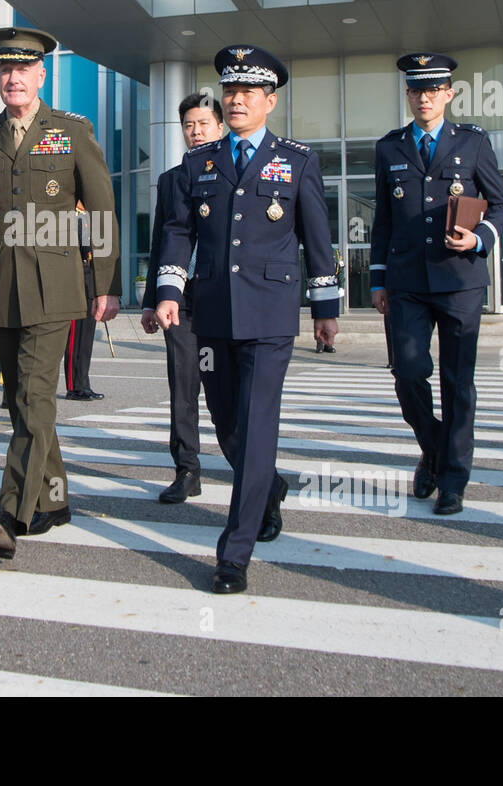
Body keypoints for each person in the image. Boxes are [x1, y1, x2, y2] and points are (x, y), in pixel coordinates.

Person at [155, 45, 340, 595]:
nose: (236, 100)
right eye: (230, 91)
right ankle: (270, 487)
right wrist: (168, 289)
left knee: (257, 425)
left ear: (269, 101)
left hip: (270, 313)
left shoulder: (297, 159)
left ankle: (234, 552)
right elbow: (178, 231)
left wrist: (324, 309)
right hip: (211, 312)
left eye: (248, 92)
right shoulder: (199, 163)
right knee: (227, 421)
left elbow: (317, 238)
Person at [0, 25, 120, 561]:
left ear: (42, 75)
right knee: (20, 401)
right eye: (4, 69)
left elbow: (103, 207)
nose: (13, 77)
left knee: (33, 399)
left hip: (55, 286)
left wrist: (105, 287)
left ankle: (10, 515)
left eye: (23, 69)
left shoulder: (70, 131)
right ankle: (55, 498)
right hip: (0, 286)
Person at [369, 53, 503, 516]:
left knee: (457, 383)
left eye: (433, 90)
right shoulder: (389, 148)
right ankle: (432, 447)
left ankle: (453, 479)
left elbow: (502, 205)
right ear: (407, 94)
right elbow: (384, 221)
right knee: (407, 372)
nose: (423, 97)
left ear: (449, 94)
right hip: (407, 280)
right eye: (415, 90)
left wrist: (478, 238)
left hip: (459, 280)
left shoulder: (471, 142)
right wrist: (377, 280)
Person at [141, 91, 224, 504]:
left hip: (225, 301)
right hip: (182, 302)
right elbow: (162, 240)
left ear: (221, 127)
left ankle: (253, 468)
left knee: (228, 391)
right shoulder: (172, 179)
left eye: (203, 124)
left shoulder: (235, 174)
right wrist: (150, 300)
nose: (195, 132)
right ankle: (186, 469)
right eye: (189, 125)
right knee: (183, 386)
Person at [62, 202, 102, 401]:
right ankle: (73, 386)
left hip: (89, 278)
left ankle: (84, 383)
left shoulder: (89, 214)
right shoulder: (71, 212)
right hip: (73, 278)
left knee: (86, 337)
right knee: (74, 338)